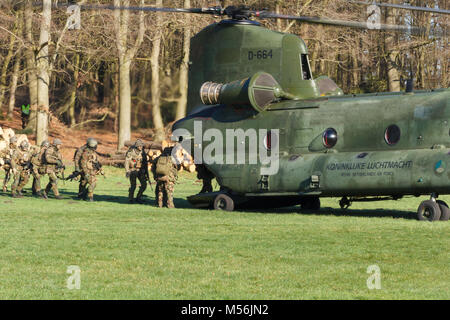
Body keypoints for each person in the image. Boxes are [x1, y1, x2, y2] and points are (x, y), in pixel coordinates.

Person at [125, 139, 149, 203]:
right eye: (139, 146)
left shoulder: (143, 152)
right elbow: (127, 161)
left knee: (144, 185)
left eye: (141, 146)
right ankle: (131, 198)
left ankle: (139, 197)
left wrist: (146, 172)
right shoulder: (131, 151)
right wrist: (127, 171)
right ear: (136, 146)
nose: (141, 147)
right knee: (133, 186)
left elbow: (145, 162)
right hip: (133, 170)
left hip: (141, 171)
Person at [79, 138, 102, 202]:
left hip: (92, 171)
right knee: (92, 184)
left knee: (92, 184)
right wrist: (86, 173)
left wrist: (99, 169)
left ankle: (84, 195)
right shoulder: (86, 153)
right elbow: (83, 164)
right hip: (87, 172)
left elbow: (95, 162)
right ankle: (89, 197)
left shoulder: (93, 153)